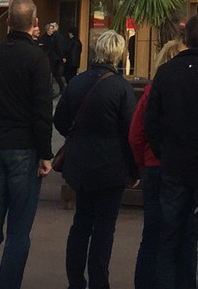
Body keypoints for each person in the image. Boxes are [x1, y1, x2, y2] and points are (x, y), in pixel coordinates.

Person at [145, 14, 198, 289]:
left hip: (173, 164)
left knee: (169, 239)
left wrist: (162, 151)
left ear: (186, 39)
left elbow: (151, 120)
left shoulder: (166, 72)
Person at [0, 0, 54, 289]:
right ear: (34, 23)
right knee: (19, 230)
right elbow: (42, 111)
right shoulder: (36, 59)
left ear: (8, 21)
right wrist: (45, 153)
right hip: (25, 148)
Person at [53, 29, 136, 289]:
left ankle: (75, 281)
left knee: (81, 223)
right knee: (104, 227)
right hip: (111, 167)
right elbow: (129, 131)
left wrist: (76, 135)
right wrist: (133, 171)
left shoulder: (77, 82)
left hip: (79, 164)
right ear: (119, 53)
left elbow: (60, 120)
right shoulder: (120, 87)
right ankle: (99, 282)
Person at [130, 39, 186, 289]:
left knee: (151, 235)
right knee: (181, 236)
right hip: (180, 168)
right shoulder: (188, 92)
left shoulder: (150, 92)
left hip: (153, 167)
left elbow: (136, 134)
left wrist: (142, 163)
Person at [40, 21, 66, 95]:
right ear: (47, 30)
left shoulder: (53, 37)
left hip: (54, 58)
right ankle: (54, 89)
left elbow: (57, 47)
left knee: (54, 73)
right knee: (53, 73)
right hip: (48, 58)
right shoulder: (44, 38)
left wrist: (61, 56)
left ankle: (55, 89)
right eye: (51, 29)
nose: (52, 30)